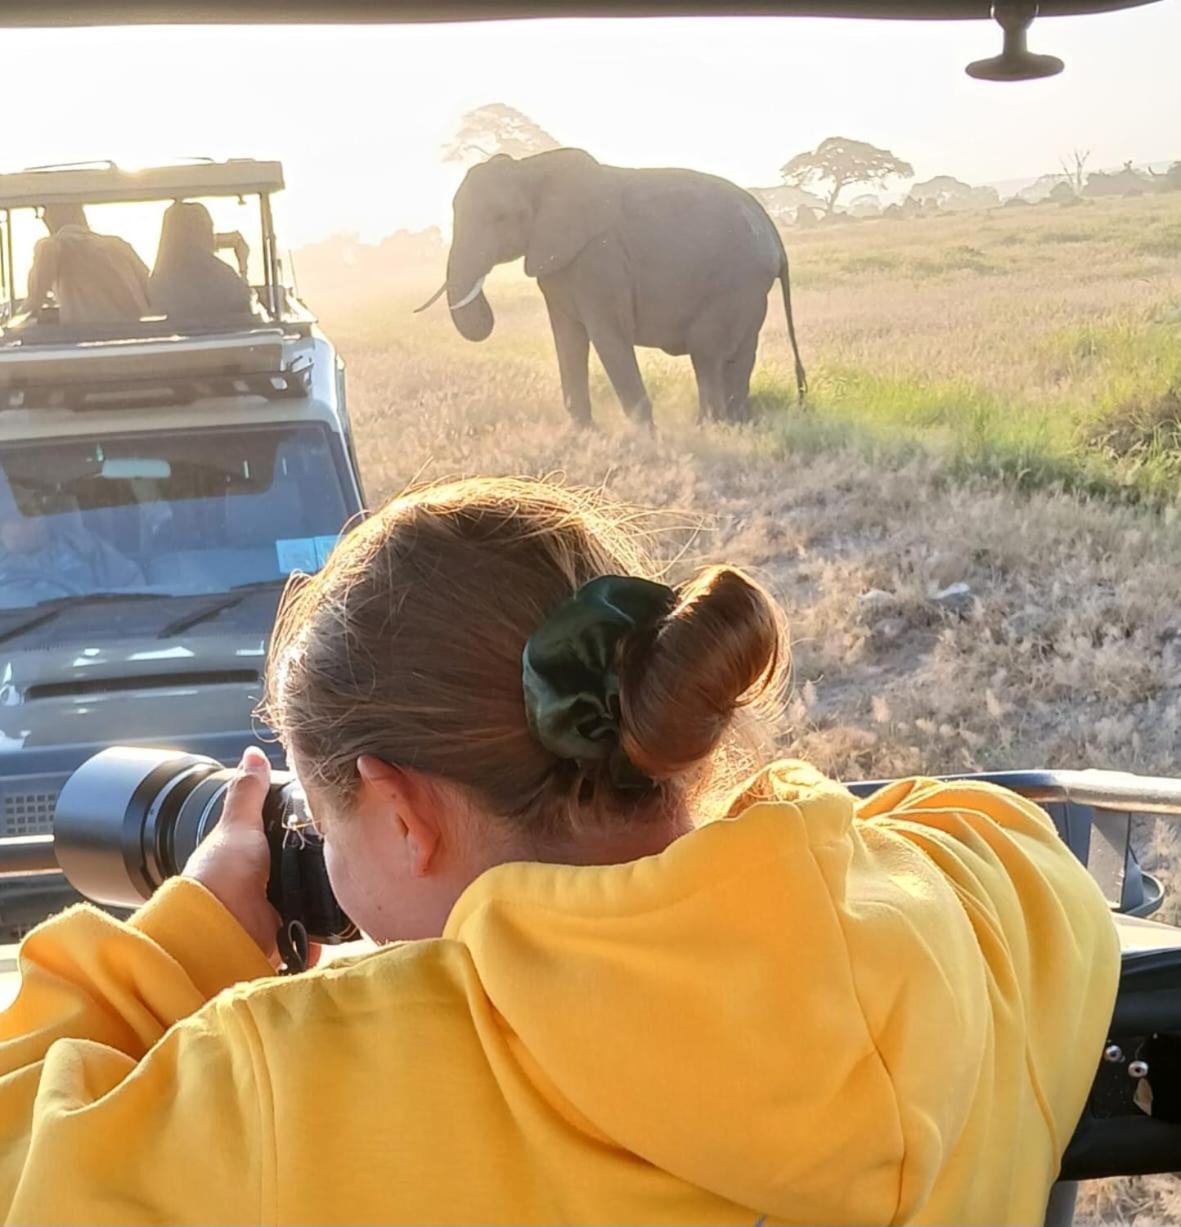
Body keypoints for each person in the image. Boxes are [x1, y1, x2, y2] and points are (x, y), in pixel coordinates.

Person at [0, 477, 1118, 1224]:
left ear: (399, 810)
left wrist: (192, 934)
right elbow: (974, 824)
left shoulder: (286, 1090)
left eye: (324, 821)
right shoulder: (971, 906)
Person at [0, 470, 143, 604]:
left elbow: (133, 589)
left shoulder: (83, 547)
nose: (38, 518)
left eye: (37, 509)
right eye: (24, 514)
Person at [21, 203, 151, 325]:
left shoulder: (51, 246)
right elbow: (150, 290)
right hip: (136, 335)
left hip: (90, 338)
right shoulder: (118, 244)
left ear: (50, 216)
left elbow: (34, 301)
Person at [149, 200, 253, 322]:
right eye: (209, 228)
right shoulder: (221, 275)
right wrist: (243, 266)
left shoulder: (158, 282)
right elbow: (245, 305)